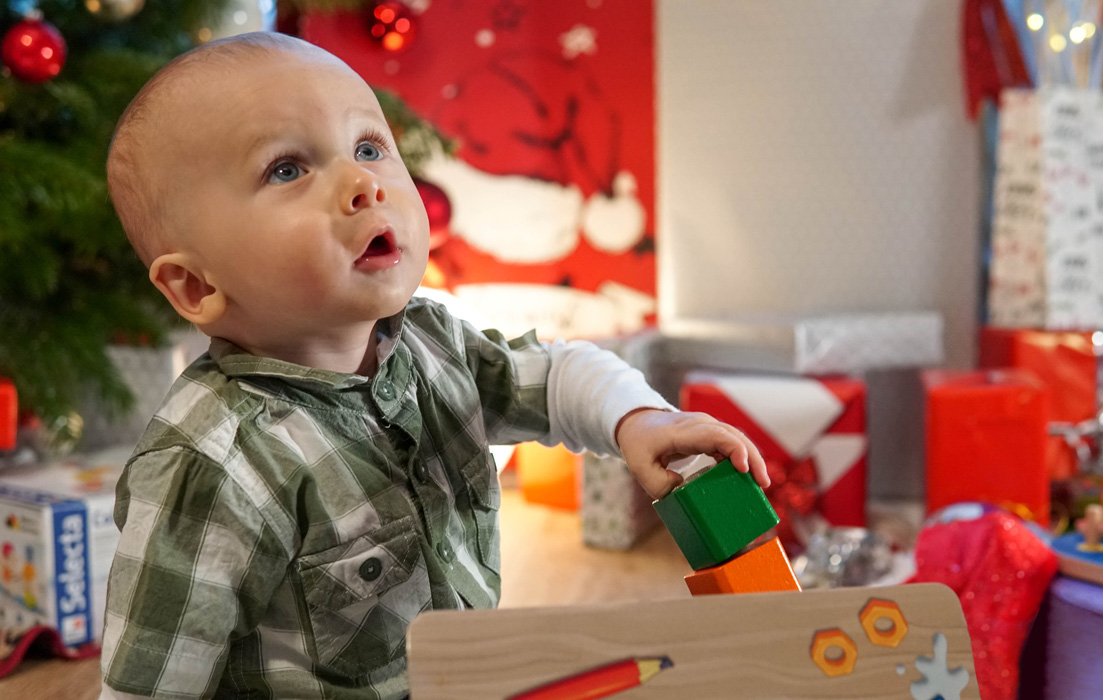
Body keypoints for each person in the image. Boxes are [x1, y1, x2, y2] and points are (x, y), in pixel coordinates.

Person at [97, 32, 767, 699]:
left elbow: (556, 376)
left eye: (368, 148)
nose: (363, 183)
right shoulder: (212, 466)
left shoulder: (432, 340)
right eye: (286, 169)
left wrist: (639, 420)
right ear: (195, 287)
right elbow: (145, 688)